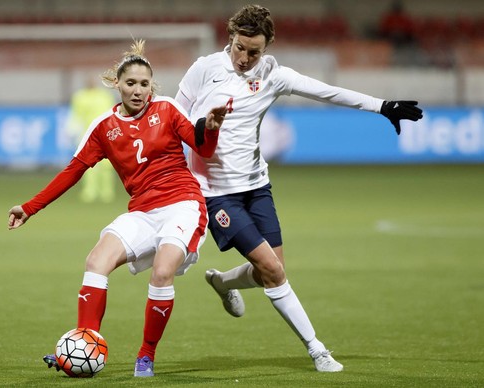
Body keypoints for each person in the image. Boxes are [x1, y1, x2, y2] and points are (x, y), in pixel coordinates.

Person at [175, 4, 423, 373]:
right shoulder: (204, 68)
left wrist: (382, 106)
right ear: (231, 39)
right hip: (215, 192)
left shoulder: (275, 75)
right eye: (239, 47)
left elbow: (327, 92)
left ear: (268, 47)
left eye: (254, 51)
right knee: (274, 272)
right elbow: (175, 119)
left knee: (270, 272)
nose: (244, 57)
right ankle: (317, 349)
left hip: (257, 186)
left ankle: (224, 283)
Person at [7, 40, 228, 378]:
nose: (138, 90)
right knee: (96, 261)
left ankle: (146, 356)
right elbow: (73, 170)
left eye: (144, 84)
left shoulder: (167, 109)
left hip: (182, 204)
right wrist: (30, 207)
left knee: (163, 271)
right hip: (142, 211)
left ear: (151, 85)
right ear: (117, 84)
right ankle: (84, 341)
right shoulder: (103, 128)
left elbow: (203, 148)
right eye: (130, 83)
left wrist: (210, 129)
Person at [67, 75, 117, 203]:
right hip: (87, 134)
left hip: (106, 133)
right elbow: (76, 115)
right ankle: (90, 191)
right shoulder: (80, 97)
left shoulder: (104, 95)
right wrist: (72, 130)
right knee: (88, 164)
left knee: (107, 164)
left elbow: (113, 114)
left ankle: (106, 192)